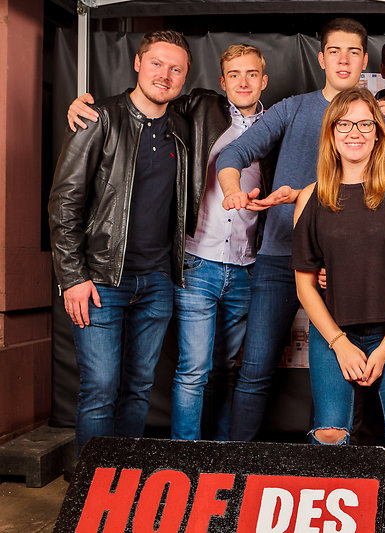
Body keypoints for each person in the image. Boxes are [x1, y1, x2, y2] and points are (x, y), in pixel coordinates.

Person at [65, 44, 273, 442]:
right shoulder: (197, 110)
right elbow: (67, 199)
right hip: (179, 265)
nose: (243, 82)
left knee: (206, 374)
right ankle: (162, 462)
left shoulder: (273, 123)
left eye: (252, 74)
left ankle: (201, 461)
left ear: (264, 80)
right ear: (221, 81)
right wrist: (84, 109)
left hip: (221, 267)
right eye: (234, 74)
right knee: (158, 378)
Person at [216, 18, 369, 442]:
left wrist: (300, 195)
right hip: (279, 256)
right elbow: (234, 153)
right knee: (255, 370)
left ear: (364, 61)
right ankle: (238, 462)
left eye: (352, 52)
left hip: (339, 265)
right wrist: (232, 191)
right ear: (320, 59)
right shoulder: (293, 108)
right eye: (334, 51)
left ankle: (324, 465)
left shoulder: (375, 119)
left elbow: (373, 189)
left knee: (334, 374)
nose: (343, 60)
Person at [49, 31, 197, 454]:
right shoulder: (99, 118)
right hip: (99, 281)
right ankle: (92, 482)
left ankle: (125, 478)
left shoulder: (181, 127)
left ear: (185, 77)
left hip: (157, 282)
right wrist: (72, 277)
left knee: (139, 387)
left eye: (176, 69)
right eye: (156, 63)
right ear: (137, 63)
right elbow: (64, 202)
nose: (164, 75)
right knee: (100, 388)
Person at [292, 88, 385, 451]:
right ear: (331, 133)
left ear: (378, 134)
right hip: (334, 332)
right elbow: (305, 287)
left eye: (364, 124)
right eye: (344, 124)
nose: (354, 132)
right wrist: (339, 343)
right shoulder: (310, 198)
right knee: (330, 434)